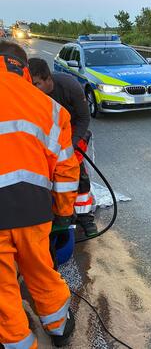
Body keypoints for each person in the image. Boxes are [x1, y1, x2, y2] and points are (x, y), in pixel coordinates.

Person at [0, 41, 80, 348]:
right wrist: (62, 209)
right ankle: (58, 327)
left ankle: (18, 342)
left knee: (3, 287)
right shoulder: (51, 109)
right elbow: (66, 170)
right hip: (34, 209)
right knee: (40, 270)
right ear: (23, 67)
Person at [28, 58, 98, 237]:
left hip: (73, 131)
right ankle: (57, 212)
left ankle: (84, 217)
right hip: (47, 133)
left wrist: (71, 146)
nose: (31, 88)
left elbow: (84, 119)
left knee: (76, 172)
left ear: (47, 79)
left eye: (36, 84)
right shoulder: (30, 94)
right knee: (47, 174)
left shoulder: (69, 87)